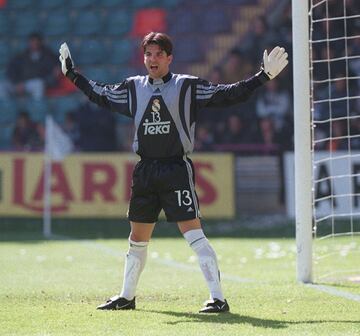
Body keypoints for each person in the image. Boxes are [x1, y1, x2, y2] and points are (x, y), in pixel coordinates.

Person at [59, 32, 288, 313]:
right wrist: (72, 75)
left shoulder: (186, 86)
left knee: (194, 235)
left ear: (169, 58)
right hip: (145, 171)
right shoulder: (133, 88)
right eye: (148, 54)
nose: (152, 59)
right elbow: (101, 94)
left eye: (158, 54)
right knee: (137, 239)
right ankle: (127, 297)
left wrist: (262, 77)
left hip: (175, 169)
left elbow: (227, 95)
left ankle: (218, 299)